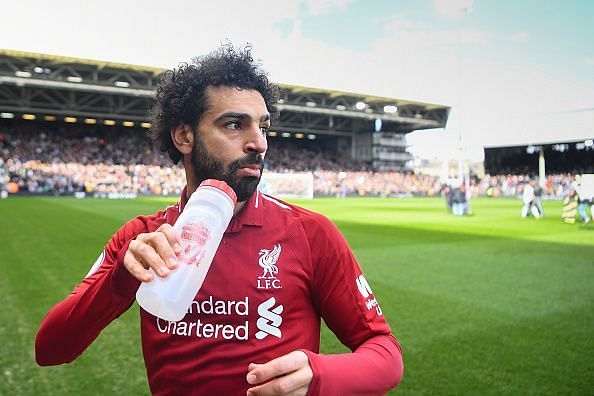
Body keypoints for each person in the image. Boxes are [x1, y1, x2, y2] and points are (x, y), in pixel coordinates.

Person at [35, 45, 403, 395]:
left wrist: (320, 374)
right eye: (234, 125)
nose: (258, 142)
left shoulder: (310, 234)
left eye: (263, 126)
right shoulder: (143, 240)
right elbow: (50, 348)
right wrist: (119, 281)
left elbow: (384, 352)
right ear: (184, 136)